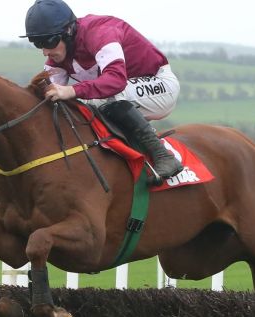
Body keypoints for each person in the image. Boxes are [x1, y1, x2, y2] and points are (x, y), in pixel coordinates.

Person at [21, 0, 183, 183]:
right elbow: (52, 99)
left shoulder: (100, 31)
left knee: (102, 98)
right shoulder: (56, 56)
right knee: (72, 105)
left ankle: (163, 156)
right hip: (127, 93)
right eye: (37, 43)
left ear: (68, 31)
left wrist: (72, 90)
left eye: (48, 41)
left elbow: (116, 81)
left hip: (160, 85)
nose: (44, 51)